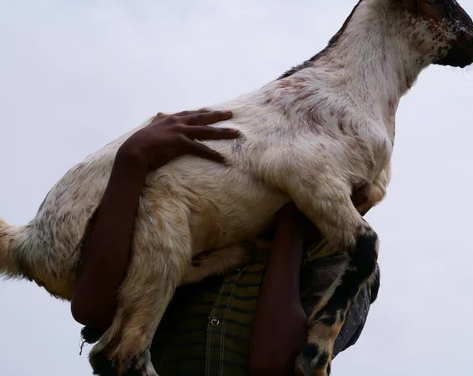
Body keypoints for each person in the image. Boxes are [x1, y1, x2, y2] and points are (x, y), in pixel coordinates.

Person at [71, 109, 380, 376]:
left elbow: (274, 366)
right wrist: (132, 160)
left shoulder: (345, 265)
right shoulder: (200, 225)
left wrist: (291, 232)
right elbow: (93, 309)